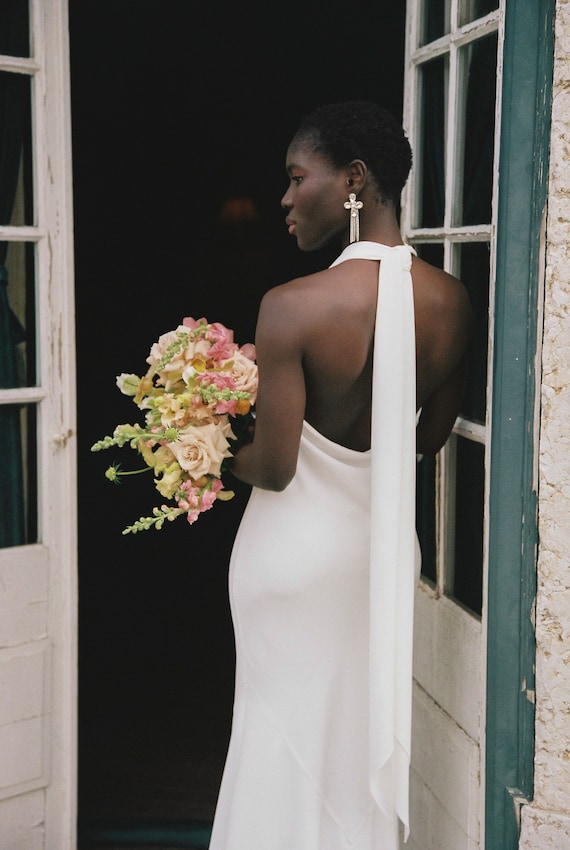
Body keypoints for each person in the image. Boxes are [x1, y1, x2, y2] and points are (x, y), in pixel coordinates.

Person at [208, 101, 472, 850]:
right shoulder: (453, 302)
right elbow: (426, 440)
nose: (285, 200)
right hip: (378, 560)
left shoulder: (292, 308)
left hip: (289, 561)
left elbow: (275, 465)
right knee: (354, 739)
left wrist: (205, 442)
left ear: (353, 180)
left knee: (274, 736)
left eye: (298, 178)